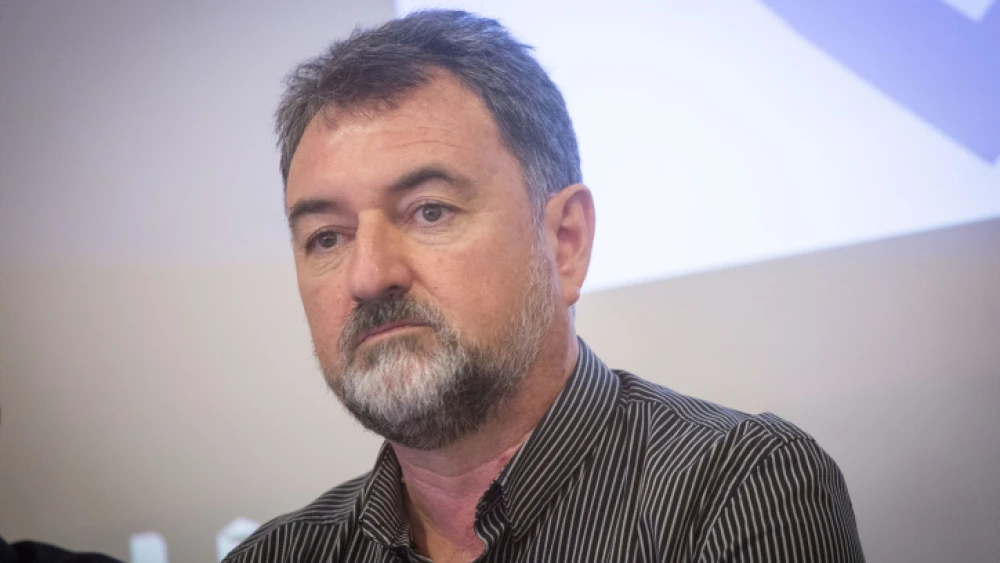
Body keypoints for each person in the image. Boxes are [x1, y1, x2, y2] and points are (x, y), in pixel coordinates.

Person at [224, 9, 865, 562]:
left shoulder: (738, 492)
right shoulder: (275, 555)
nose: (368, 276)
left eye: (430, 211)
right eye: (327, 238)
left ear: (565, 242)